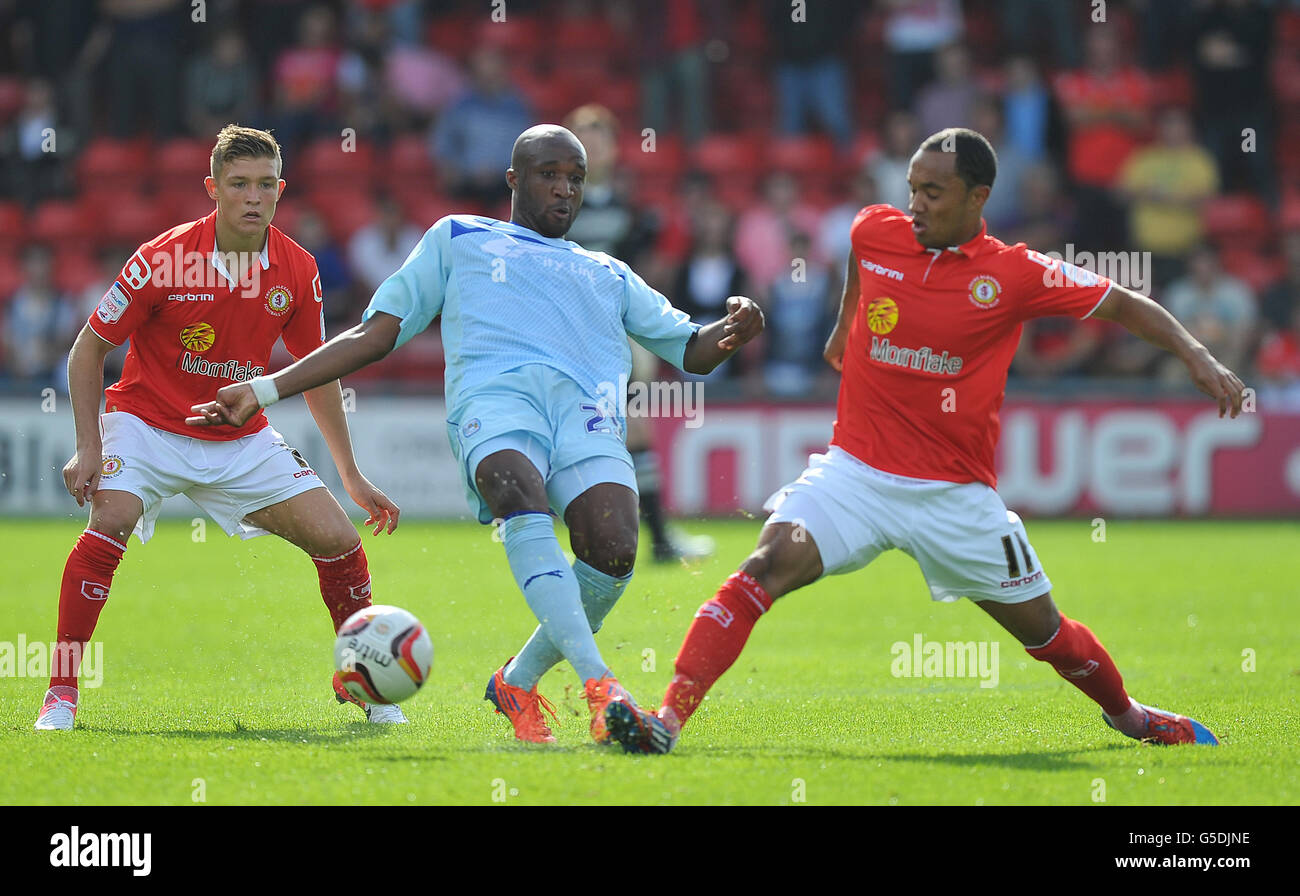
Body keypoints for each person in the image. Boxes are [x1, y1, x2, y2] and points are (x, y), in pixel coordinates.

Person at [603, 128, 1246, 755]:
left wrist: (1196, 356)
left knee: (1046, 634)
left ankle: (1130, 717)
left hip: (954, 497)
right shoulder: (875, 230)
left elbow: (1124, 303)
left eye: (934, 192)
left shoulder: (1015, 274)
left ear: (978, 199)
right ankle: (666, 721)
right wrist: (844, 326)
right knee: (760, 570)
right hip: (855, 473)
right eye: (912, 188)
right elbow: (861, 261)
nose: (916, 204)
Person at [188, 124, 764, 747]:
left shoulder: (608, 273)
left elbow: (692, 350)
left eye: (575, 178)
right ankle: (603, 686)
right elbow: (374, 334)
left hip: (588, 422)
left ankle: (518, 681)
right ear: (514, 181)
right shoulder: (460, 238)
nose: (564, 189)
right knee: (519, 492)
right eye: (549, 174)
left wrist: (733, 328)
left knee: (616, 550)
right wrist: (267, 389)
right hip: (497, 408)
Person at [35, 125, 402, 732]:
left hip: (239, 439)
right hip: (146, 425)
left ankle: (361, 683)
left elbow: (317, 374)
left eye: (265, 185)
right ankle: (61, 695)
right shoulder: (162, 258)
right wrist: (88, 445)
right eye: (238, 185)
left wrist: (352, 476)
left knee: (339, 540)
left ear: (281, 191)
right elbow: (86, 350)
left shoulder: (297, 268)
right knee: (112, 520)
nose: (252, 197)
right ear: (213, 189)